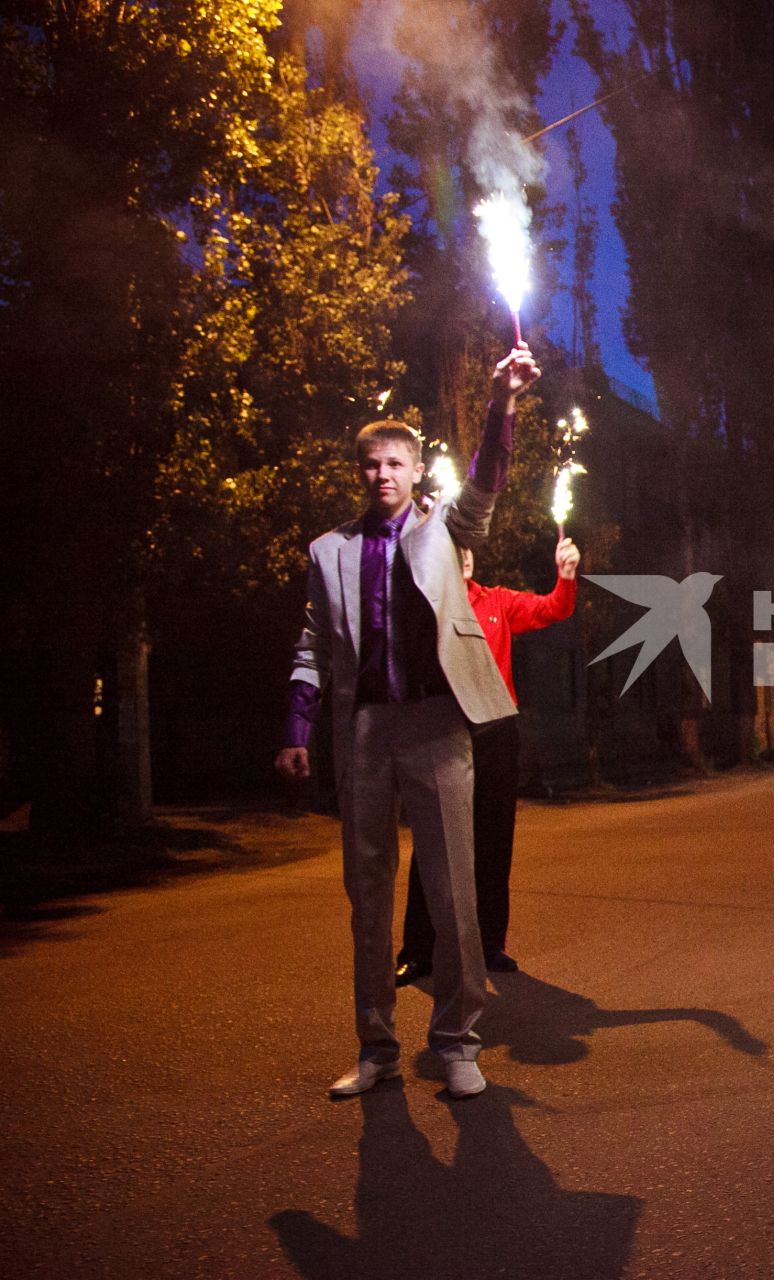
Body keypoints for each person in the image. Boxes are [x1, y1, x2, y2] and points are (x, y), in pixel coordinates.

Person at [275, 345, 539, 1099]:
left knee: (453, 892)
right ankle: (376, 1047)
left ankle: (458, 1041)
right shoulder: (329, 553)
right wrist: (296, 732)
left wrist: (502, 405)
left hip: (436, 725)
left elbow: (487, 483)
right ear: (358, 473)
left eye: (395, 463)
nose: (382, 475)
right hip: (363, 735)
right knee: (368, 895)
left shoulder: (445, 531)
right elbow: (312, 646)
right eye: (371, 465)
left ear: (417, 471)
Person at [394, 534, 580, 988]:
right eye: (452, 548)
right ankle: (418, 951)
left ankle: (490, 944)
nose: (463, 555)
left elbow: (553, 609)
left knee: (493, 840)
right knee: (434, 839)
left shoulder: (498, 601)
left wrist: (566, 576)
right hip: (445, 730)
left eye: (468, 549)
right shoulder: (426, 608)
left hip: (495, 731)